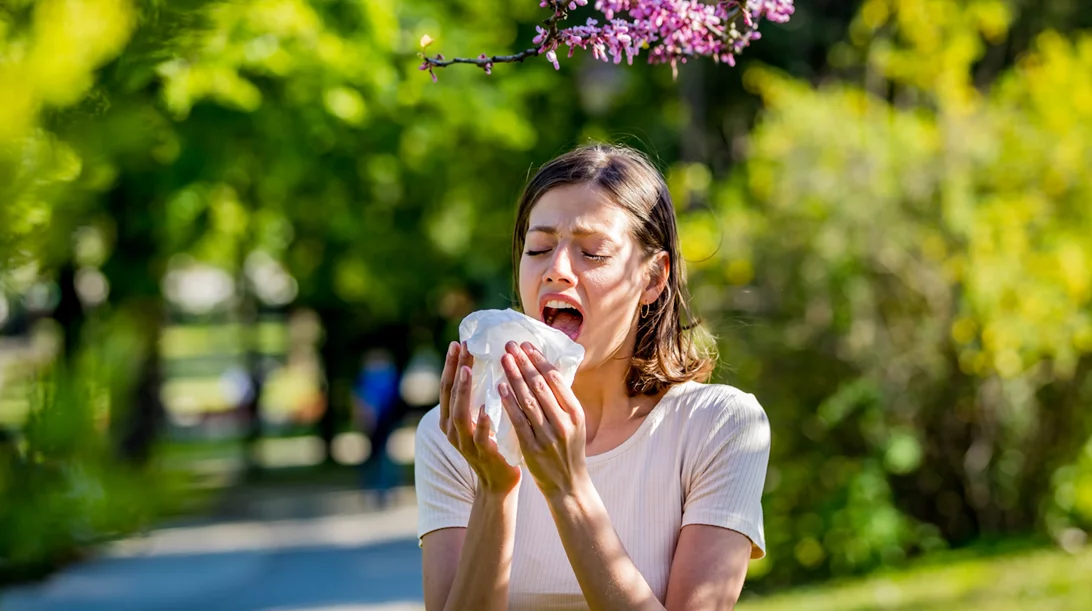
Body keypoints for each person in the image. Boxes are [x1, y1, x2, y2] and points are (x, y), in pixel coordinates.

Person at [415, 143, 771, 610]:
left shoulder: (720, 427)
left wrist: (567, 488)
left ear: (653, 278)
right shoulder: (457, 437)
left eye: (593, 253)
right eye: (539, 248)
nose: (556, 271)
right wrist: (494, 489)